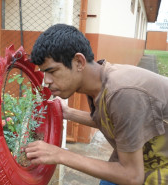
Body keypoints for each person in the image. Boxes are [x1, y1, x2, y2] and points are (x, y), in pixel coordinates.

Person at [24, 24, 168, 185]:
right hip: (140, 158)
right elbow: (116, 119)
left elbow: (132, 176)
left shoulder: (122, 92)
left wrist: (60, 154)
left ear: (79, 62)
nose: (47, 82)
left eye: (52, 71)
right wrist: (68, 113)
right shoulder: (98, 83)